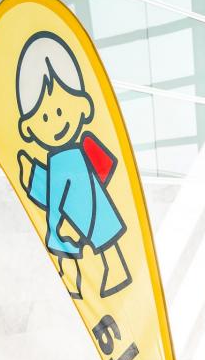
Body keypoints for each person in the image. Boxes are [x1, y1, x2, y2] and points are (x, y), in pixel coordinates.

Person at [15, 33, 132, 300]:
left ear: (82, 107)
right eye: (45, 117)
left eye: (59, 112)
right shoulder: (65, 159)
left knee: (98, 247)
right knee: (102, 246)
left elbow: (57, 194)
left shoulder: (66, 158)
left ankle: (94, 277)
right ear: (30, 127)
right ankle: (98, 275)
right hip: (86, 214)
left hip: (86, 214)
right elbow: (58, 190)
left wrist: (53, 224)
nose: (56, 122)